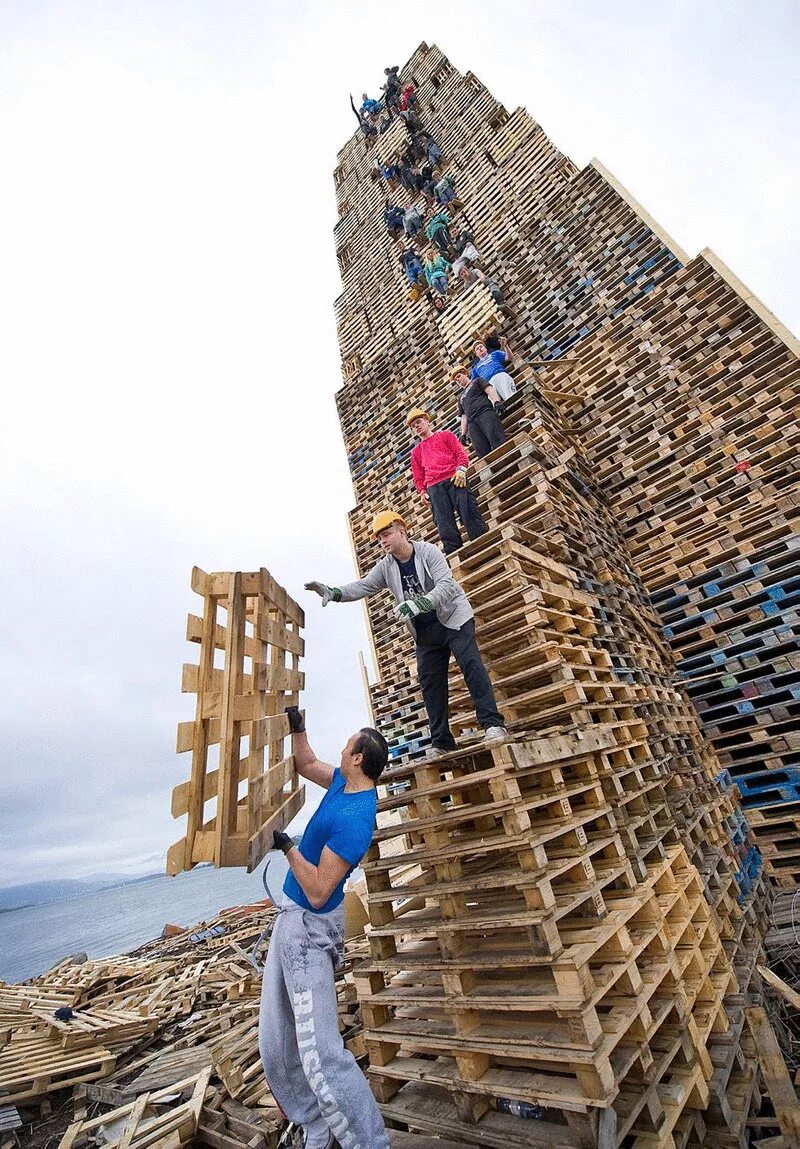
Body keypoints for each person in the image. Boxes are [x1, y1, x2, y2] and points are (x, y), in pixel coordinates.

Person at [259, 709, 391, 1149]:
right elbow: (305, 763)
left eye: (346, 745)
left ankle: (369, 1142)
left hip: (312, 928)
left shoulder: (357, 821)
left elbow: (318, 890)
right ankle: (317, 1126)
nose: (341, 749)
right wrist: (299, 729)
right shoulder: (341, 780)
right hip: (290, 919)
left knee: (322, 1055)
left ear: (357, 758)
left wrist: (288, 847)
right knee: (276, 1045)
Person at [305, 512, 507, 757]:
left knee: (471, 665)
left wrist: (421, 603)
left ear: (402, 530)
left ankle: (493, 724)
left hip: (453, 619)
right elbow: (364, 585)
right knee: (430, 682)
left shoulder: (428, 552)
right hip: (426, 631)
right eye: (379, 539)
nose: (383, 541)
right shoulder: (387, 566)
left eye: (387, 534)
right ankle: (442, 742)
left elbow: (447, 584)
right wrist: (334, 592)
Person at [406, 406, 488, 553]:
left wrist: (462, 470)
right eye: (413, 426)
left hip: (455, 479)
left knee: (469, 511)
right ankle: (455, 554)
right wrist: (422, 492)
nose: (416, 427)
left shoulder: (445, 435)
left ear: (427, 421)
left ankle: (483, 545)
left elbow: (460, 454)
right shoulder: (416, 452)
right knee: (444, 524)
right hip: (434, 487)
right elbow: (418, 477)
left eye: (418, 422)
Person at [453, 366, 507, 459]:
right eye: (455, 380)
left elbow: (489, 389)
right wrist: (463, 433)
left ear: (466, 374)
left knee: (496, 438)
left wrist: (496, 401)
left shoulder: (477, 381)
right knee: (481, 449)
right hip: (472, 423)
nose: (457, 380)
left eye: (458, 376)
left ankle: (507, 460)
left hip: (485, 413)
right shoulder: (461, 397)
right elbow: (463, 415)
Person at [470, 335, 517, 402]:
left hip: (500, 376)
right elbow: (472, 383)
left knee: (510, 396)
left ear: (485, 348)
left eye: (481, 346)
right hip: (489, 384)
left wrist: (505, 346)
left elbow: (509, 358)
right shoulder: (476, 368)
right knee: (495, 404)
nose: (480, 349)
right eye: (477, 349)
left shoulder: (495, 354)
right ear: (476, 354)